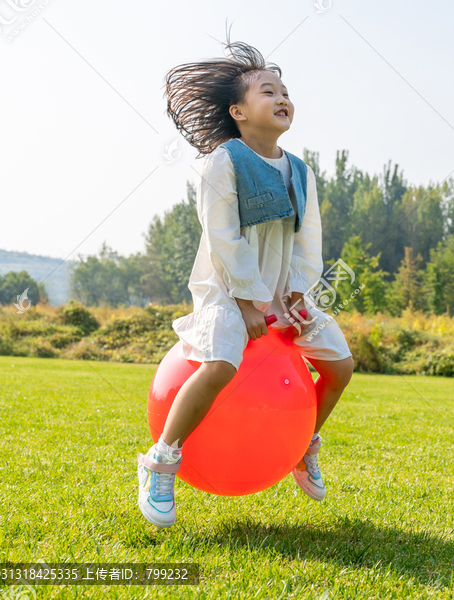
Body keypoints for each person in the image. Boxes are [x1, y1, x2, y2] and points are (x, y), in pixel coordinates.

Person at [137, 34, 355, 528]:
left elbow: (309, 235)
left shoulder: (300, 170)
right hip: (227, 294)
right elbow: (223, 238)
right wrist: (249, 302)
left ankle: (302, 446)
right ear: (238, 110)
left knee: (340, 366)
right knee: (219, 367)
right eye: (267, 91)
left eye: (284, 91)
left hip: (283, 293)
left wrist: (299, 290)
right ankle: (162, 460)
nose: (282, 99)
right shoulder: (223, 162)